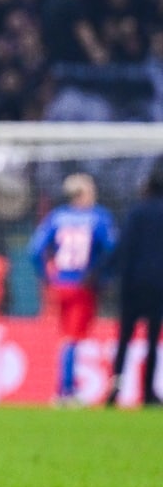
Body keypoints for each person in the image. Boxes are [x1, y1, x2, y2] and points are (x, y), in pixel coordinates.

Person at [28, 173, 117, 407]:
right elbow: (112, 249)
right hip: (83, 284)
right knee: (73, 337)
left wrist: (47, 276)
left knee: (67, 335)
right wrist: (103, 275)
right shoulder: (99, 217)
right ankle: (65, 390)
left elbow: (35, 251)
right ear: (83, 194)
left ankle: (67, 388)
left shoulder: (56, 217)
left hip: (60, 284)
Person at [110, 170, 163, 407]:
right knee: (152, 339)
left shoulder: (136, 212)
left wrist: (109, 275)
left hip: (132, 285)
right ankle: (148, 392)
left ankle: (115, 389)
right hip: (159, 285)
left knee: (125, 339)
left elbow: (125, 247)